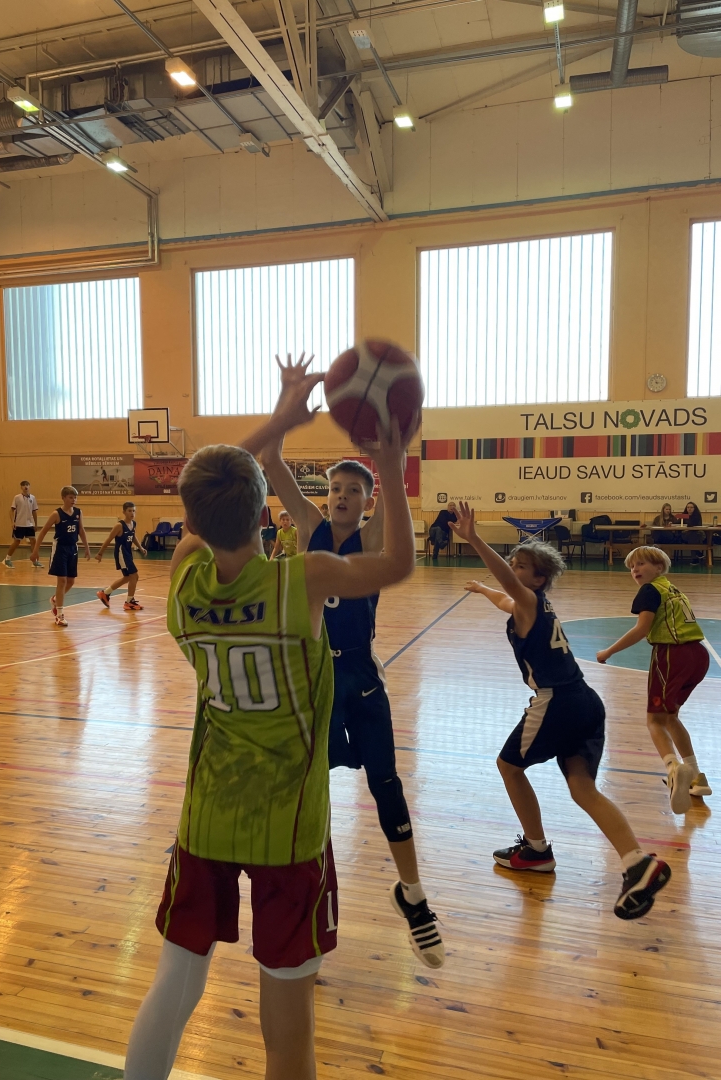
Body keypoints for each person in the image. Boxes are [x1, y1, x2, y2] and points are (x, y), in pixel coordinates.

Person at [123, 361, 414, 1080]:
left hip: (207, 817)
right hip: (289, 828)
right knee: (288, 1033)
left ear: (193, 520)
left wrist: (280, 421)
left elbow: (208, 503)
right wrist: (391, 463)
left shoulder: (183, 582)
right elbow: (398, 563)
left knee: (172, 987)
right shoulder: (302, 581)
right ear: (265, 512)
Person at [261, 353, 444, 970]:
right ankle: (307, 914)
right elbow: (271, 464)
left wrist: (394, 454)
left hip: (361, 679)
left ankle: (412, 893)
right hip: (311, 680)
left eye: (353, 490)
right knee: (307, 795)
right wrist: (288, 404)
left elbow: (398, 511)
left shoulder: (371, 540)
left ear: (367, 501)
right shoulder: (308, 525)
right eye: (335, 489)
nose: (340, 496)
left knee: (386, 785)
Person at [451, 505, 671, 920]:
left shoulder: (528, 599)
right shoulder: (533, 604)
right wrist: (482, 589)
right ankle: (637, 861)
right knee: (583, 789)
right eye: (513, 563)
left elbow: (508, 588)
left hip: (556, 701)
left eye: (521, 566)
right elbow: (504, 597)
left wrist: (475, 540)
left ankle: (536, 851)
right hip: (585, 701)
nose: (513, 569)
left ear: (539, 579)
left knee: (508, 766)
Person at [596, 545, 712, 812]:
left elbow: (641, 629)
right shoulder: (672, 589)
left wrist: (609, 651)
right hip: (698, 656)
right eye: (631, 567)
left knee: (654, 720)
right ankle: (696, 776)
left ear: (659, 567)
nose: (635, 570)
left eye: (641, 564)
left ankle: (673, 770)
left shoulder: (650, 590)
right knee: (670, 717)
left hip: (673, 655)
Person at [30, 485, 91, 627]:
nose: (73, 500)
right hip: (60, 549)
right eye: (70, 497)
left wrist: (87, 547)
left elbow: (81, 530)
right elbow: (43, 532)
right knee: (62, 580)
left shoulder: (78, 512)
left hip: (73, 548)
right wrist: (35, 551)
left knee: (71, 581)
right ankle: (59, 615)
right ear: (63, 498)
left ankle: (55, 599)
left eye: (75, 497)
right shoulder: (56, 514)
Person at [95, 502, 147, 611]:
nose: (132, 513)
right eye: (129, 511)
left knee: (128, 577)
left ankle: (105, 593)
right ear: (124, 512)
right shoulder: (119, 525)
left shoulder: (133, 523)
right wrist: (100, 553)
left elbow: (133, 536)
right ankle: (129, 602)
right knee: (134, 576)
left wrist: (141, 548)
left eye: (133, 511)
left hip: (128, 552)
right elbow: (109, 539)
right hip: (121, 553)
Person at [4, 481, 42, 568]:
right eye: (24, 485)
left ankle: (35, 561)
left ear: (29, 486)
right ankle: (7, 559)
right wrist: (12, 522)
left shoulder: (32, 498)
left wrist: (36, 524)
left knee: (33, 541)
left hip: (29, 524)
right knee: (16, 542)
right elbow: (11, 510)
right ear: (21, 487)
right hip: (19, 524)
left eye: (27, 485)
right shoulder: (17, 497)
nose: (26, 487)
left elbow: (34, 512)